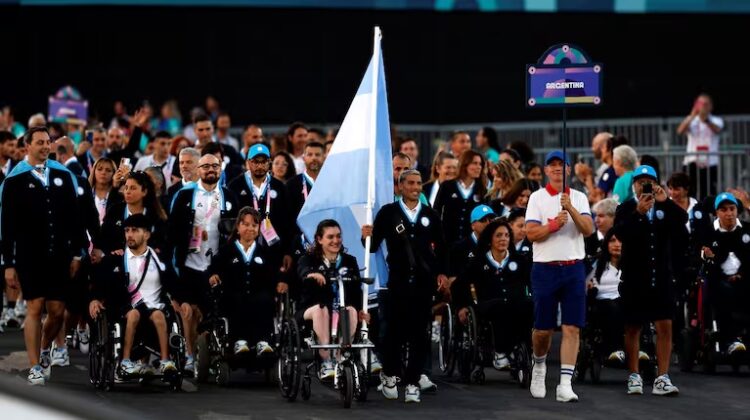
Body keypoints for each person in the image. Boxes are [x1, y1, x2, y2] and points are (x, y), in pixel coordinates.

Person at [1, 126, 87, 385]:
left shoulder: (63, 175)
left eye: (47, 142)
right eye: (39, 142)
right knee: (35, 308)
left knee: (58, 311)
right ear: (27, 146)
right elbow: (7, 225)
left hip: (59, 254)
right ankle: (35, 365)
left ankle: (45, 345)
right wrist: (8, 263)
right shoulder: (14, 181)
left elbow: (75, 217)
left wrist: (77, 254)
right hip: (30, 255)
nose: (45, 146)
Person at [362, 169, 448, 404]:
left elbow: (440, 248)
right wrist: (365, 236)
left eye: (419, 183)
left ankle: (411, 383)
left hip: (423, 284)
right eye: (410, 183)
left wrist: (441, 272)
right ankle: (390, 375)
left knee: (420, 335)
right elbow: (372, 247)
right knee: (393, 334)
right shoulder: (388, 213)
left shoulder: (430, 215)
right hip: (397, 282)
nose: (415, 187)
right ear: (400, 187)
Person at [525, 150, 594, 403]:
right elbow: (531, 233)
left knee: (572, 327)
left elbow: (588, 229)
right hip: (545, 268)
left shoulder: (578, 197)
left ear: (568, 169)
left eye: (561, 165)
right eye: (551, 165)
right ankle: (539, 365)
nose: (556, 169)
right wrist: (553, 225)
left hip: (574, 267)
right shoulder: (536, 198)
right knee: (543, 330)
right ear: (545, 170)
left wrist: (571, 209)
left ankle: (565, 383)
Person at [614, 164, 686, 396]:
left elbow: (681, 223)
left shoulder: (664, 206)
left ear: (656, 184)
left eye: (649, 181)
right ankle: (634, 374)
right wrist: (639, 213)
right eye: (640, 181)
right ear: (634, 184)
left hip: (661, 276)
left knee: (665, 325)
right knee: (633, 326)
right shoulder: (626, 208)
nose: (644, 185)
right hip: (636, 277)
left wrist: (665, 201)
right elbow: (621, 233)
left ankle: (662, 376)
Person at [169, 153, 239, 374]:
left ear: (221, 169)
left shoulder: (229, 196)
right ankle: (189, 355)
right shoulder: (184, 195)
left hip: (216, 267)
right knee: (189, 311)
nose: (210, 169)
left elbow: (236, 231)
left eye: (215, 166)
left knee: (211, 315)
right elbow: (171, 230)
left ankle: (207, 354)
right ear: (198, 169)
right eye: (206, 166)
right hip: (190, 263)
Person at [88, 214, 180, 375]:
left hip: (153, 306)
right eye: (127, 230)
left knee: (159, 315)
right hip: (126, 307)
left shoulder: (158, 258)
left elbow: (173, 282)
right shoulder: (116, 259)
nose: (129, 234)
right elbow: (100, 282)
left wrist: (180, 300)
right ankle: (125, 361)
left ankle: (166, 360)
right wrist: (95, 299)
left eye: (134, 230)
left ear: (146, 234)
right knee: (134, 314)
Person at [452, 219, 533, 371]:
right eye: (499, 235)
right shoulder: (479, 261)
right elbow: (459, 285)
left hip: (515, 303)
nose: (503, 239)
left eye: (507, 235)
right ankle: (500, 352)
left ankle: (526, 350)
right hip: (487, 306)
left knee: (529, 305)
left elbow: (532, 283)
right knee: (501, 305)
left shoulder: (520, 261)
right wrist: (462, 306)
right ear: (490, 239)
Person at [298, 219, 369, 380]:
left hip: (341, 309)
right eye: (330, 237)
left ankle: (340, 356)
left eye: (338, 236)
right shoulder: (309, 259)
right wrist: (311, 274)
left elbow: (356, 291)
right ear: (319, 239)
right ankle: (325, 360)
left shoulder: (350, 260)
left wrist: (361, 311)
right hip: (313, 309)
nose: (335, 241)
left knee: (350, 310)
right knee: (321, 309)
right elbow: (302, 271)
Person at [208, 207, 284, 356]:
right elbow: (213, 268)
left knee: (265, 300)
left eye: (254, 225)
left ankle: (263, 341)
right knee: (236, 300)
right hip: (233, 293)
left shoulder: (264, 252)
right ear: (238, 227)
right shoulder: (226, 251)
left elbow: (276, 272)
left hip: (259, 294)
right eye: (246, 224)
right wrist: (212, 275)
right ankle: (239, 341)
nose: (250, 228)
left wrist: (281, 281)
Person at [228, 144, 293, 272]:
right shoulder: (235, 186)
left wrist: (287, 251)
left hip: (274, 251)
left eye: (263, 162)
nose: (259, 166)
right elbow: (231, 221)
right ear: (248, 163)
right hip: (243, 251)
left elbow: (288, 222)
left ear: (269, 163)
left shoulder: (279, 187)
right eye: (255, 162)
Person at [701, 193, 749, 356]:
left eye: (732, 209)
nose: (729, 213)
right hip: (718, 280)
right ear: (716, 212)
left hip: (744, 278)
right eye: (723, 210)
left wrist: (741, 274)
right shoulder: (707, 233)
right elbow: (703, 260)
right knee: (722, 290)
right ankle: (731, 339)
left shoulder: (747, 230)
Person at [99, 171, 168, 256]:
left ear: (144, 192)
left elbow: (161, 244)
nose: (127, 191)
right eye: (126, 187)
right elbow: (103, 238)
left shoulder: (155, 215)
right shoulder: (115, 210)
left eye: (133, 188)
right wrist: (112, 251)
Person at [433, 150, 488, 244]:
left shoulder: (482, 191)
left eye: (480, 164)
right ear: (465, 164)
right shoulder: (447, 186)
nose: (478, 167)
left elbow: (486, 218)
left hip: (472, 245)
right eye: (475, 163)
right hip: (447, 244)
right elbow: (435, 212)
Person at [587, 230, 626, 363]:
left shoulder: (631, 265)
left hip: (624, 300)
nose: (617, 244)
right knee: (612, 307)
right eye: (613, 241)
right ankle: (614, 348)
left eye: (621, 241)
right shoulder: (597, 263)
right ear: (607, 244)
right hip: (602, 303)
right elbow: (586, 283)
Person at [677, 93, 723, 198]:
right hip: (691, 161)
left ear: (711, 106)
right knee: (689, 192)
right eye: (700, 104)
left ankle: (708, 214)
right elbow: (680, 130)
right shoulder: (691, 120)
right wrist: (693, 115)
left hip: (710, 163)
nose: (703, 107)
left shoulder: (716, 120)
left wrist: (706, 119)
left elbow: (717, 130)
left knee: (709, 192)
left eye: (705, 104)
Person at [286, 142, 324, 221]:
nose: (314, 158)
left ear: (324, 157)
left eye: (317, 155)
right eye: (310, 155)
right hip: (300, 232)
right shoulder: (291, 184)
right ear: (303, 158)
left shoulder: (332, 183)